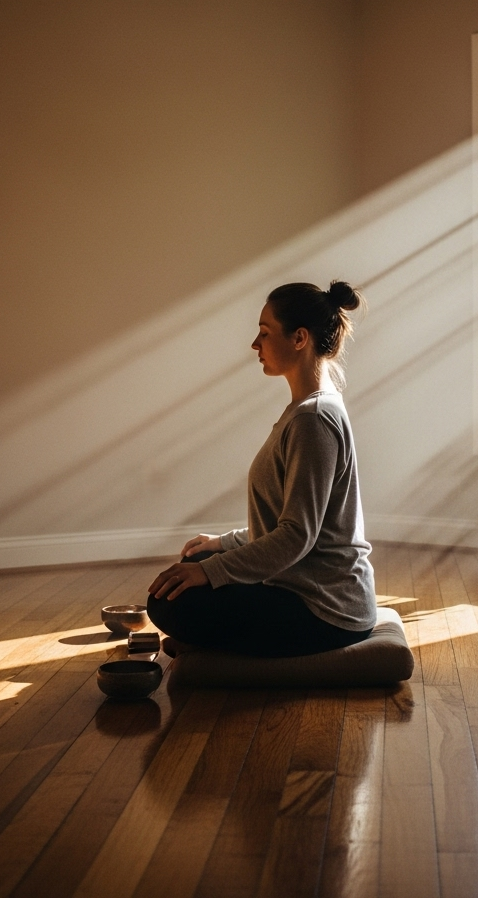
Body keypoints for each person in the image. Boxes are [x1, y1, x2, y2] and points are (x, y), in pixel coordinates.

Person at [146, 280, 377, 658]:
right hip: (304, 584)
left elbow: (295, 536)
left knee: (169, 602)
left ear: (299, 338)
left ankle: (217, 645)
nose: (255, 344)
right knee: (191, 564)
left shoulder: (313, 420)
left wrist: (212, 572)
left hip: (326, 608)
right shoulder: (308, 410)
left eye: (265, 333)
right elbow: (282, 523)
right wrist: (219, 545)